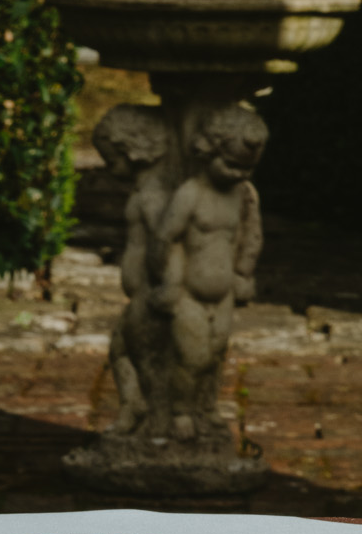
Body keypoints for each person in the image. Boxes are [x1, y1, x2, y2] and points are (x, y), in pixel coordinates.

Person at [154, 103, 267, 443]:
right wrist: (169, 283)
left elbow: (251, 235)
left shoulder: (243, 194)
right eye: (231, 166)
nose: (238, 175)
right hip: (189, 292)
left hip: (225, 293)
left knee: (216, 354)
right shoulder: (192, 193)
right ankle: (180, 411)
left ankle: (206, 408)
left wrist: (244, 273)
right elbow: (166, 238)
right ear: (208, 152)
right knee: (192, 356)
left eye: (246, 169)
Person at [92, 104, 171, 438]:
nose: (110, 170)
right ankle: (135, 406)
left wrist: (165, 282)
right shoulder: (146, 192)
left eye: (113, 160)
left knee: (142, 354)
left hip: (149, 292)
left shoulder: (153, 196)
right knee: (122, 348)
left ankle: (156, 414)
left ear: (133, 151)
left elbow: (163, 240)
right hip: (140, 292)